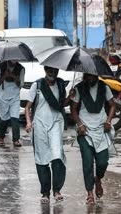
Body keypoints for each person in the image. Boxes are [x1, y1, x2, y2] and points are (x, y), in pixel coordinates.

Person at [25, 66, 75, 203]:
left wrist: (70, 97)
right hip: (39, 123)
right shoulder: (37, 85)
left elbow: (61, 104)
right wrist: (29, 122)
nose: (53, 73)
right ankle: (45, 193)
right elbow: (28, 107)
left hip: (56, 123)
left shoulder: (60, 84)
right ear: (45, 70)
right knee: (42, 158)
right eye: (50, 71)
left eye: (55, 71)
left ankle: (57, 190)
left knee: (57, 155)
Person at [70, 73, 116, 205]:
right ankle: (90, 193)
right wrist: (80, 124)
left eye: (92, 76)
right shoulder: (79, 88)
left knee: (102, 162)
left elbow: (112, 105)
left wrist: (108, 121)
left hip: (101, 128)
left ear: (97, 75)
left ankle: (98, 179)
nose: (90, 78)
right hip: (85, 130)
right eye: (87, 76)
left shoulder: (104, 87)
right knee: (87, 162)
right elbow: (73, 109)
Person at [0, 60, 25, 147]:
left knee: (15, 117)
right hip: (3, 95)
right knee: (4, 118)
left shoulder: (21, 68)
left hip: (15, 96)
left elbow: (21, 84)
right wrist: (4, 76)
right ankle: (1, 137)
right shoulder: (1, 67)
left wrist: (13, 76)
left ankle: (16, 139)